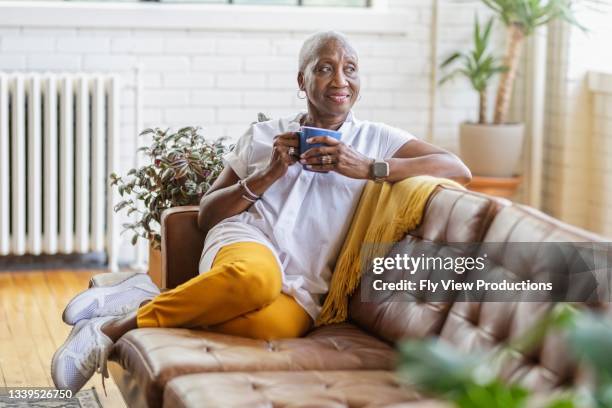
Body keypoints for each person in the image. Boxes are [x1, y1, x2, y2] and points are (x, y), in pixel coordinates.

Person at [51, 30, 471, 393]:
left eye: (351, 68)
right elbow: (207, 214)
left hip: (305, 283)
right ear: (301, 79)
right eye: (324, 68)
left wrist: (368, 167)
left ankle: (151, 296)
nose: (340, 80)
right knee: (255, 280)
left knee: (268, 327)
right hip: (247, 241)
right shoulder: (264, 135)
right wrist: (267, 175)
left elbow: (458, 168)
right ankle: (110, 329)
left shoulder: (376, 139)